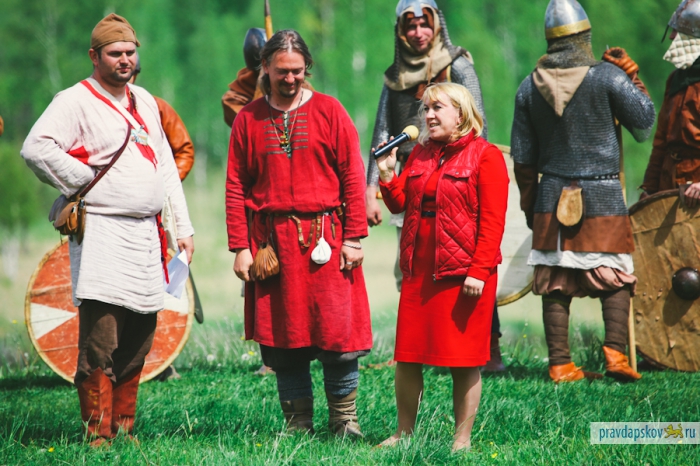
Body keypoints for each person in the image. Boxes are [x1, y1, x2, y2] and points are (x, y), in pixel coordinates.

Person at [21, 13, 195, 445]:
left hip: (146, 235)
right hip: (102, 232)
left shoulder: (145, 101)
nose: (124, 60)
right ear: (94, 56)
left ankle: (123, 429)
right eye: (115, 53)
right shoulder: (73, 100)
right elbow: (35, 148)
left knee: (141, 334)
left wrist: (182, 227)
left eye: (130, 52)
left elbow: (166, 169)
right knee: (101, 338)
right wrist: (83, 180)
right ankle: (97, 435)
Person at [226, 29, 372, 437]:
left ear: (307, 67)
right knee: (284, 339)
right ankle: (298, 424)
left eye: (297, 70)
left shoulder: (330, 111)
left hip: (327, 237)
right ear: (265, 68)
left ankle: (344, 421)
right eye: (281, 71)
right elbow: (235, 185)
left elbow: (352, 174)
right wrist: (240, 247)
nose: (290, 79)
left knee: (337, 336)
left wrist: (354, 237)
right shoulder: (248, 118)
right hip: (273, 246)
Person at [511, 0, 655, 383]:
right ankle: (616, 355)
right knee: (615, 274)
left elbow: (523, 161)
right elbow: (643, 124)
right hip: (602, 193)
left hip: (550, 195)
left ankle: (560, 363)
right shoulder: (608, 77)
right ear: (584, 36)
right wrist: (632, 76)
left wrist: (531, 206)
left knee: (555, 279)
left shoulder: (528, 87)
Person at [365, 0, 505, 371]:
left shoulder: (457, 64)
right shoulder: (396, 75)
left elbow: (476, 122)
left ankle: (488, 347)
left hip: (459, 176)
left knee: (468, 264)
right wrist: (373, 186)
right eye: (410, 26)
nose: (418, 33)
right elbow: (383, 130)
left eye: (424, 24)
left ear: (437, 25)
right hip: (412, 172)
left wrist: (468, 165)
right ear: (400, 32)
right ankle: (421, 346)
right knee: (413, 269)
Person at [376, 82, 508, 451]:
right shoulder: (420, 153)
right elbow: (399, 203)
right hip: (419, 269)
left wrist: (479, 271)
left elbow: (493, 223)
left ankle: (461, 440)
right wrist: (387, 175)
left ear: (461, 114)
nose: (428, 115)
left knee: (464, 359)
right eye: (426, 109)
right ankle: (403, 434)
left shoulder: (486, 156)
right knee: (407, 356)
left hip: (463, 273)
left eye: (437, 108)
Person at [642, 0, 700, 205]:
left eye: (678, 31)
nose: (671, 36)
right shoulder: (675, 79)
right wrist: (649, 188)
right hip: (668, 183)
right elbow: (661, 142)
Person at [131, 59, 195, 182]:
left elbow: (184, 150)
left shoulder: (156, 107)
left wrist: (166, 184)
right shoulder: (96, 107)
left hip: (150, 188)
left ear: (135, 75)